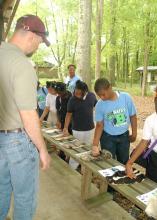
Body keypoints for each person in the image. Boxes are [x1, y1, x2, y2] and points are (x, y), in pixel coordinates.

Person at [0, 14, 51, 220]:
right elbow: (29, 115)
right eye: (39, 42)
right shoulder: (21, 64)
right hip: (18, 140)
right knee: (25, 198)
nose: (38, 47)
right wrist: (43, 149)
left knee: (2, 191)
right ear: (30, 35)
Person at [92, 78, 137, 165]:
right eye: (99, 95)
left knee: (124, 162)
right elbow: (99, 125)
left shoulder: (125, 98)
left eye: (103, 94)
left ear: (110, 88)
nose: (101, 97)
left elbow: (133, 116)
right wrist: (95, 144)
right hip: (107, 138)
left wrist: (134, 134)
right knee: (108, 162)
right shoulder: (100, 105)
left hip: (124, 136)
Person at [126, 90, 157, 182]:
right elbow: (144, 142)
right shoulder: (151, 120)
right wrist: (129, 163)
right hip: (155, 159)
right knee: (152, 185)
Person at [63, 80, 97, 145]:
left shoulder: (91, 96)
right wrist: (65, 127)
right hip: (77, 130)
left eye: (79, 94)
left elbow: (97, 106)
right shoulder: (72, 100)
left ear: (85, 92)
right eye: (76, 93)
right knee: (77, 148)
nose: (77, 96)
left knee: (88, 148)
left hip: (90, 129)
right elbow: (68, 114)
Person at [55, 82, 72, 161]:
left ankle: (70, 157)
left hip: (71, 122)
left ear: (64, 90)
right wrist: (58, 120)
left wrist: (67, 125)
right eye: (57, 93)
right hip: (62, 120)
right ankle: (62, 153)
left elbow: (71, 112)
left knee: (71, 139)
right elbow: (58, 110)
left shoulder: (71, 97)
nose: (58, 94)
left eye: (60, 93)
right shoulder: (58, 98)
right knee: (62, 138)